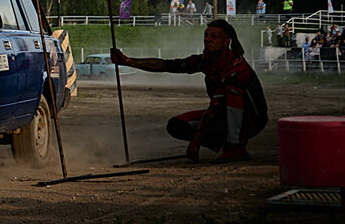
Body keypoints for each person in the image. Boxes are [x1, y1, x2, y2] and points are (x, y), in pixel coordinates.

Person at [111, 19, 267, 163]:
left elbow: (215, 108)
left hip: (252, 119)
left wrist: (196, 141)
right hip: (223, 114)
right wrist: (128, 61)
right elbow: (167, 65)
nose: (207, 39)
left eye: (214, 36)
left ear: (226, 42)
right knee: (177, 125)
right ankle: (228, 145)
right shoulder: (205, 61)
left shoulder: (236, 67)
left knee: (233, 92)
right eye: (206, 35)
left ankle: (236, 147)